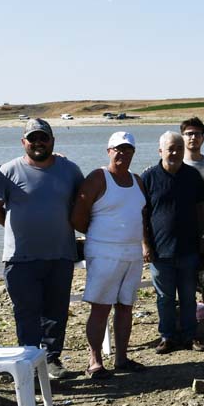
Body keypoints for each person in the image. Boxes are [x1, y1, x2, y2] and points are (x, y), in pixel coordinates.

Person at [0, 118, 84, 379]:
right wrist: (14, 227)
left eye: (43, 138)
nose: (38, 142)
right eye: (33, 138)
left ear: (52, 141)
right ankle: (29, 360)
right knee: (26, 313)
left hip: (60, 254)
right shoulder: (6, 172)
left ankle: (52, 360)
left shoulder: (70, 170)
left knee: (56, 311)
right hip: (20, 258)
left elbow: (81, 205)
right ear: (24, 142)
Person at [71, 131, 148, 379]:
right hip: (104, 251)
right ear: (108, 151)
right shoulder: (98, 177)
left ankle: (121, 359)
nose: (122, 153)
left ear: (133, 153)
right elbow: (78, 216)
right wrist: (99, 235)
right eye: (117, 149)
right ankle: (95, 361)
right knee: (101, 307)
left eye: (127, 149)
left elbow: (142, 216)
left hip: (132, 252)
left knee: (125, 306)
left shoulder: (137, 180)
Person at [141, 131, 204, 354]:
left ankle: (190, 335)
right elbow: (142, 214)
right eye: (171, 148)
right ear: (160, 151)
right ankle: (167, 336)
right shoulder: (148, 177)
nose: (175, 152)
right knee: (164, 298)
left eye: (179, 148)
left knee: (189, 296)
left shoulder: (192, 176)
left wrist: (203, 236)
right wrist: (145, 244)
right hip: (160, 250)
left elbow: (201, 209)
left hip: (189, 248)